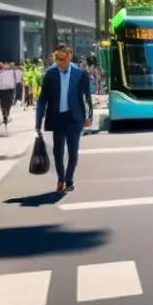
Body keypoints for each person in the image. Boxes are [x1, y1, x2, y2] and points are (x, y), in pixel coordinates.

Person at [35, 45, 93, 194]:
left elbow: (87, 96)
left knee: (73, 152)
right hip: (57, 117)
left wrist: (89, 116)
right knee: (57, 151)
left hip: (75, 118)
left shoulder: (80, 74)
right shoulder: (50, 74)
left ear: (69, 57)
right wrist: (38, 121)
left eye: (63, 58)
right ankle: (60, 178)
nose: (60, 62)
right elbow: (42, 99)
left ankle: (69, 180)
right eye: (58, 59)